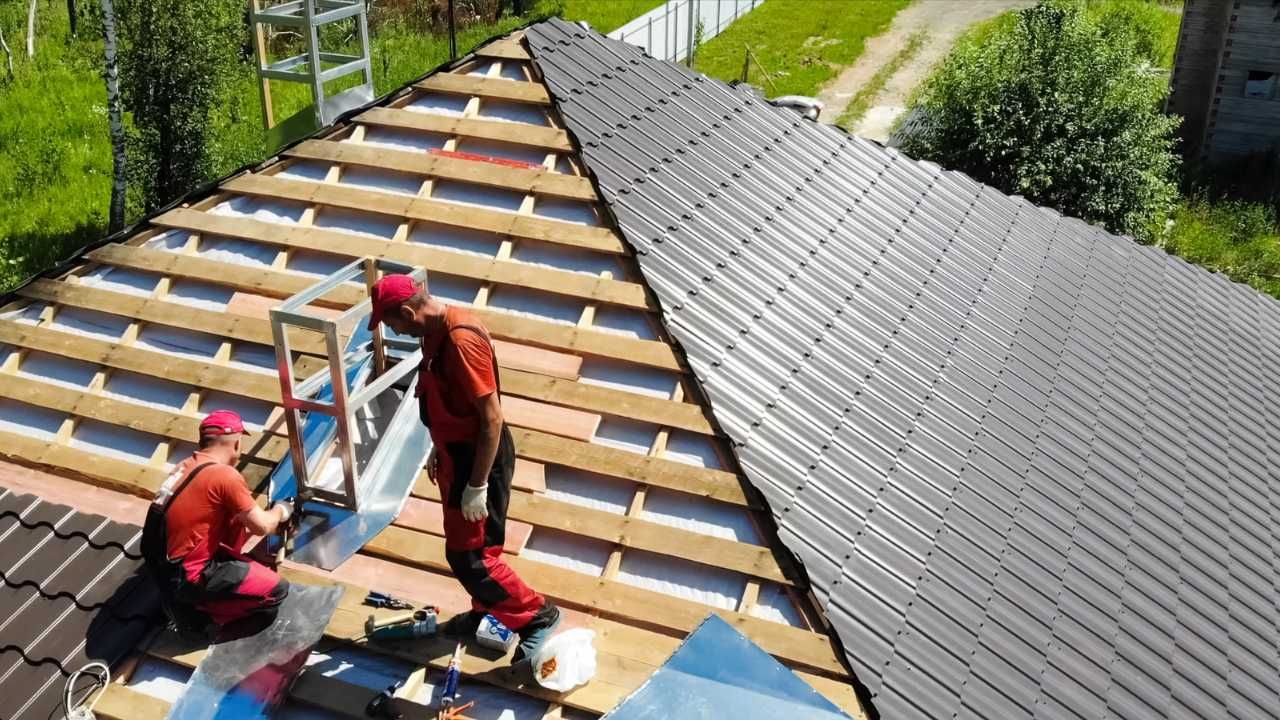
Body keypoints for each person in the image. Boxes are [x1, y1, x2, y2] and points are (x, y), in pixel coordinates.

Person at [368, 273, 560, 662]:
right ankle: (486, 610)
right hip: (458, 454)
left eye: (393, 324)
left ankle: (537, 616)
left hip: (478, 459)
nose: (395, 331)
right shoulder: (434, 332)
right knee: (473, 546)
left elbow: (491, 420)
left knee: (471, 556)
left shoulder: (460, 341)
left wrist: (477, 485)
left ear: (409, 311)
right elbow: (444, 398)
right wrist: (440, 447)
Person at [142, 409, 292, 634]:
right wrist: (281, 510)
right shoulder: (224, 476)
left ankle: (193, 602)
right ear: (236, 444)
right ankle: (207, 617)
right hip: (193, 577)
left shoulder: (184, 466)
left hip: (168, 571)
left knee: (236, 524)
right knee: (277, 590)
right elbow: (262, 526)